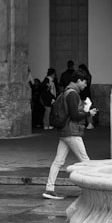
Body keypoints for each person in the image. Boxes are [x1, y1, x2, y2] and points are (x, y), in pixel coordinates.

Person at [43, 70, 98, 200]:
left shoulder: (66, 91)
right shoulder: (73, 94)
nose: (85, 85)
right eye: (84, 82)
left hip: (65, 131)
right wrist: (88, 113)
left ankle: (49, 189)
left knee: (58, 161)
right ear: (78, 80)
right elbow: (74, 115)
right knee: (86, 161)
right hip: (72, 132)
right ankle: (92, 191)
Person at [77, 63, 94, 129]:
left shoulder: (85, 77)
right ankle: (88, 123)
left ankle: (87, 123)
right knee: (85, 108)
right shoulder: (88, 76)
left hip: (84, 94)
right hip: (86, 94)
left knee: (85, 108)